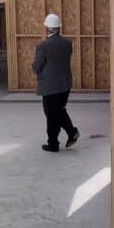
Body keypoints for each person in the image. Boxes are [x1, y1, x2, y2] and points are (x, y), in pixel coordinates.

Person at [32, 13, 79, 153]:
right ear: (59, 27)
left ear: (47, 27)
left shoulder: (43, 46)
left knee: (52, 115)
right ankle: (71, 132)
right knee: (59, 111)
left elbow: (36, 67)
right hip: (65, 84)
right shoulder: (67, 43)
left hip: (50, 86)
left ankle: (53, 144)